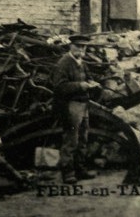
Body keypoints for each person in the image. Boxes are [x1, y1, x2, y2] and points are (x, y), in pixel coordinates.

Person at [51, 40, 99, 184]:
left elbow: (88, 77)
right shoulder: (64, 63)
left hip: (83, 104)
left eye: (84, 46)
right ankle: (68, 173)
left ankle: (80, 170)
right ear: (71, 46)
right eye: (78, 46)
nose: (81, 49)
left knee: (83, 139)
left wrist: (92, 83)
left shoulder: (81, 62)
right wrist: (80, 85)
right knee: (71, 139)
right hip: (70, 105)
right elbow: (59, 86)